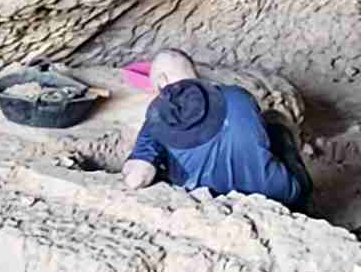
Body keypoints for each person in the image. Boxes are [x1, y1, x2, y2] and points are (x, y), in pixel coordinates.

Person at [119, 51, 308, 212]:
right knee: (275, 126)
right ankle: (301, 206)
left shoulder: (159, 119)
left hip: (217, 201)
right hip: (282, 194)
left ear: (161, 81)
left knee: (167, 160)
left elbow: (137, 180)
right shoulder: (238, 93)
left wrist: (132, 163)